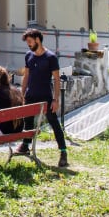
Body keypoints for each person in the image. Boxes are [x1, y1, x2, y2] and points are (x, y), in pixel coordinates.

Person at [17, 28, 69, 167]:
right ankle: (25, 145)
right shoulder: (28, 55)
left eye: (30, 41)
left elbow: (57, 79)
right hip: (30, 95)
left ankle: (63, 152)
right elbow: (26, 75)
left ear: (37, 40)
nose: (28, 44)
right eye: (27, 42)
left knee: (54, 123)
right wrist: (22, 94)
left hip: (45, 97)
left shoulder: (50, 57)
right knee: (27, 122)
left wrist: (55, 99)